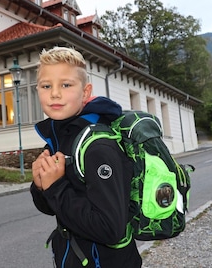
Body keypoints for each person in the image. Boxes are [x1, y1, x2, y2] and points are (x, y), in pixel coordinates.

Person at [30, 46, 142, 268]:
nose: (54, 93)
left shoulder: (98, 147)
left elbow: (110, 229)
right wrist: (41, 186)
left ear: (86, 92)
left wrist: (55, 187)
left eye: (66, 84)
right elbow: (51, 207)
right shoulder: (59, 140)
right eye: (46, 86)